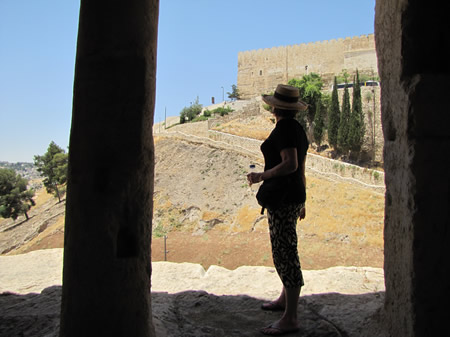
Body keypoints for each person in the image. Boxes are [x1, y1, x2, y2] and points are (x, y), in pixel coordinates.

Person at [247, 84, 308, 336]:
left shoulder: (283, 129)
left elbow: (290, 164)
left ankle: (290, 318)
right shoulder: (297, 129)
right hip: (292, 196)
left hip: (282, 198)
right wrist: (303, 199)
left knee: (284, 253)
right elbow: (301, 167)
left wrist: (261, 175)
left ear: (275, 107)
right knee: (286, 247)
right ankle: (285, 300)